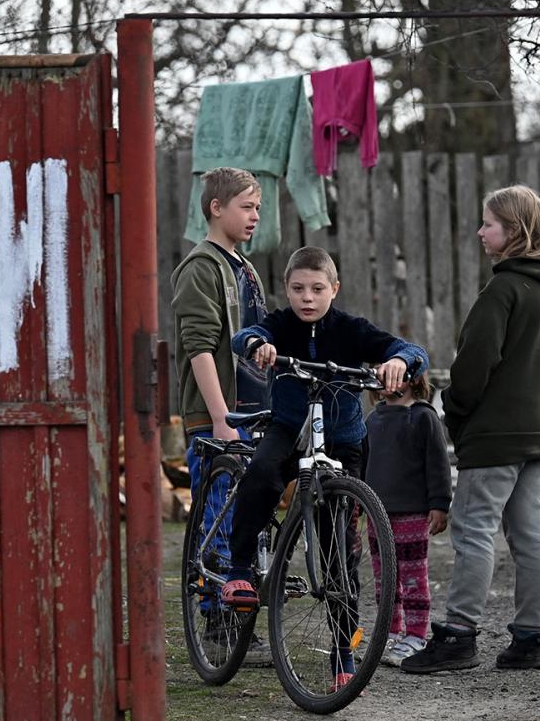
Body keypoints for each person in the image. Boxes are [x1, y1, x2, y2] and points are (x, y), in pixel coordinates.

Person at [226, 245, 429, 688]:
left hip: (342, 441)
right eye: (298, 288)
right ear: (287, 289)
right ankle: (240, 568)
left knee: (341, 550)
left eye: (318, 289)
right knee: (260, 474)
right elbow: (244, 337)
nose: (307, 298)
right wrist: (259, 345)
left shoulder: (351, 330)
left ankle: (343, 651)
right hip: (289, 429)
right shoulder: (280, 325)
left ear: (334, 290)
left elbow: (411, 350)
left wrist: (398, 361)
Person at [402, 185, 540, 674]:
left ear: (513, 231)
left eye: (488, 223)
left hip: (496, 433)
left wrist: (453, 409)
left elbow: (473, 367)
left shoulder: (501, 290)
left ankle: (458, 636)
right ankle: (530, 639)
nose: (480, 231)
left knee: (474, 532)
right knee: (532, 534)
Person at [170, 167, 272, 661]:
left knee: (249, 518)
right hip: (218, 416)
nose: (256, 215)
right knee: (220, 516)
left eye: (257, 207)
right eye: (247, 206)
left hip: (253, 415)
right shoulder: (202, 267)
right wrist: (220, 417)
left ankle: (242, 618)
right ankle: (218, 626)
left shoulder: (244, 267)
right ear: (217, 207)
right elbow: (198, 347)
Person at [364, 374, 452, 666]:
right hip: (377, 514)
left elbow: (438, 463)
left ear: (413, 380)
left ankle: (415, 634)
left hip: (413, 513)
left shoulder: (424, 417)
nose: (383, 379)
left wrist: (439, 504)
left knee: (413, 578)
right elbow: (363, 465)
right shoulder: (372, 421)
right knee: (384, 580)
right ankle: (389, 632)